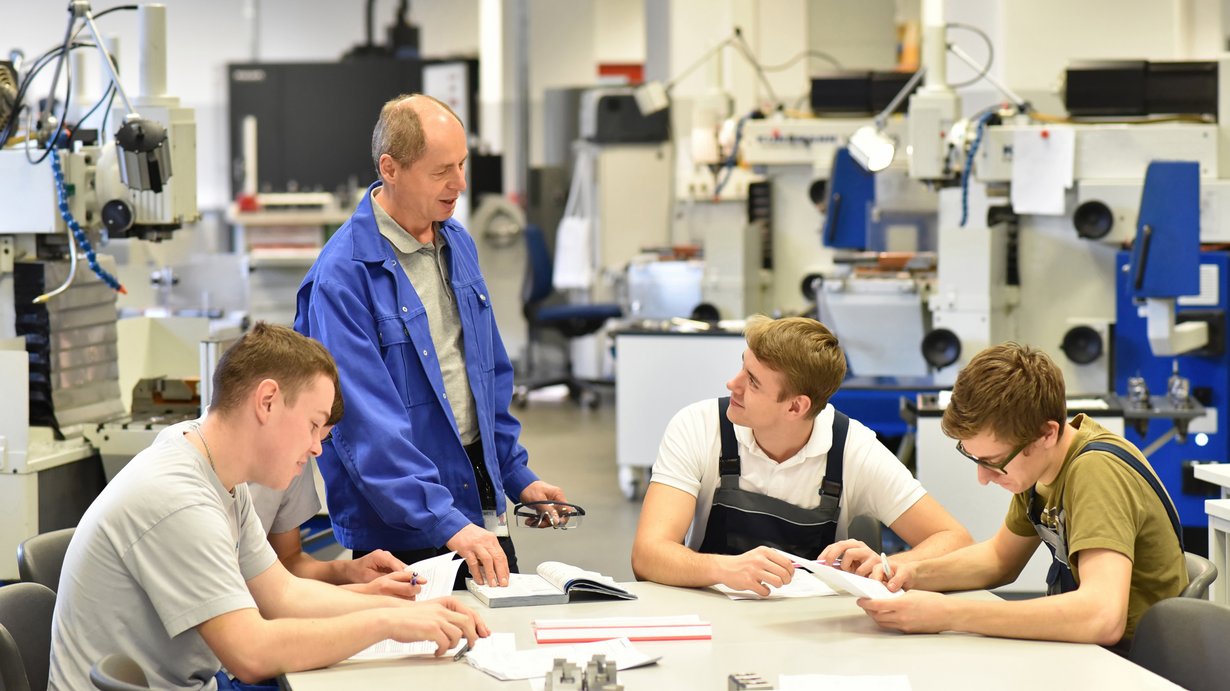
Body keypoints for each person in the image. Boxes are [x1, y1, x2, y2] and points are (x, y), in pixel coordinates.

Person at [48, 323, 487, 691]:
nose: (317, 447)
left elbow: (282, 594)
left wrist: (407, 612)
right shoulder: (178, 499)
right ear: (268, 401)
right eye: (314, 425)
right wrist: (387, 625)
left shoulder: (215, 470)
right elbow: (251, 654)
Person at [294, 93, 566, 589]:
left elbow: (486, 375)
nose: (460, 184)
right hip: (401, 523)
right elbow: (363, 427)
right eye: (442, 170)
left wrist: (516, 475)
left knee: (503, 646)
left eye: (462, 165)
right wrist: (444, 521)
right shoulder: (342, 279)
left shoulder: (455, 240)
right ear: (390, 168)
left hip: (476, 502)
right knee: (425, 658)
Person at [857, 343, 1187, 649]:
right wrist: (907, 572)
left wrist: (949, 614)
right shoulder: (1041, 468)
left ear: (1046, 434)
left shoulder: (1095, 472)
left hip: (1136, 663)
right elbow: (999, 559)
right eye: (974, 458)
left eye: (993, 462)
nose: (983, 478)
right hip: (1090, 652)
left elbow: (1102, 617)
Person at [631, 315, 973, 597]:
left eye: (752, 382)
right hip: (711, 615)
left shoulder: (851, 448)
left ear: (796, 406)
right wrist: (723, 568)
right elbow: (647, 554)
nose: (730, 383)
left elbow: (956, 542)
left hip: (815, 631)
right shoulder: (699, 427)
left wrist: (888, 566)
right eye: (742, 367)